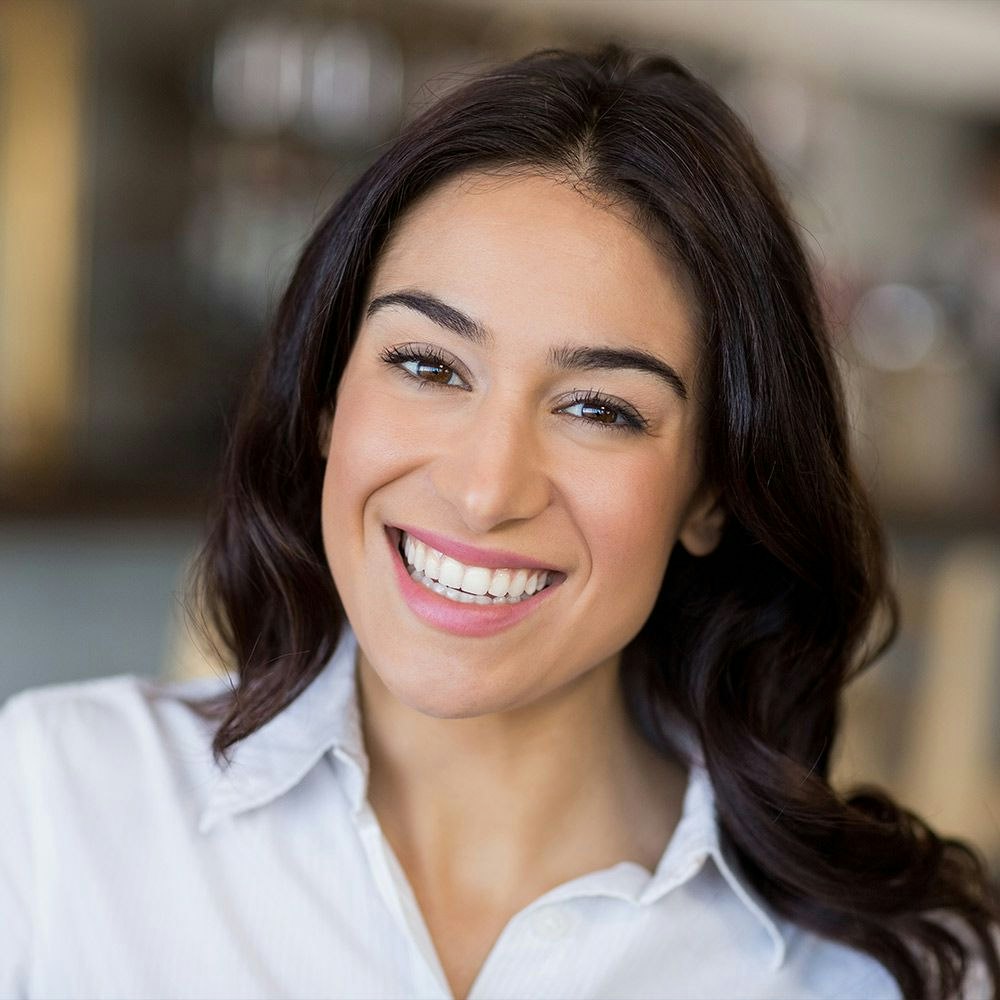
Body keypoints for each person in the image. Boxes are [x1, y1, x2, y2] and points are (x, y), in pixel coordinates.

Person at [1, 43, 997, 1000]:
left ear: (713, 491)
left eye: (599, 408)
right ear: (323, 401)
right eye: (428, 366)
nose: (484, 489)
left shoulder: (892, 970)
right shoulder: (52, 809)